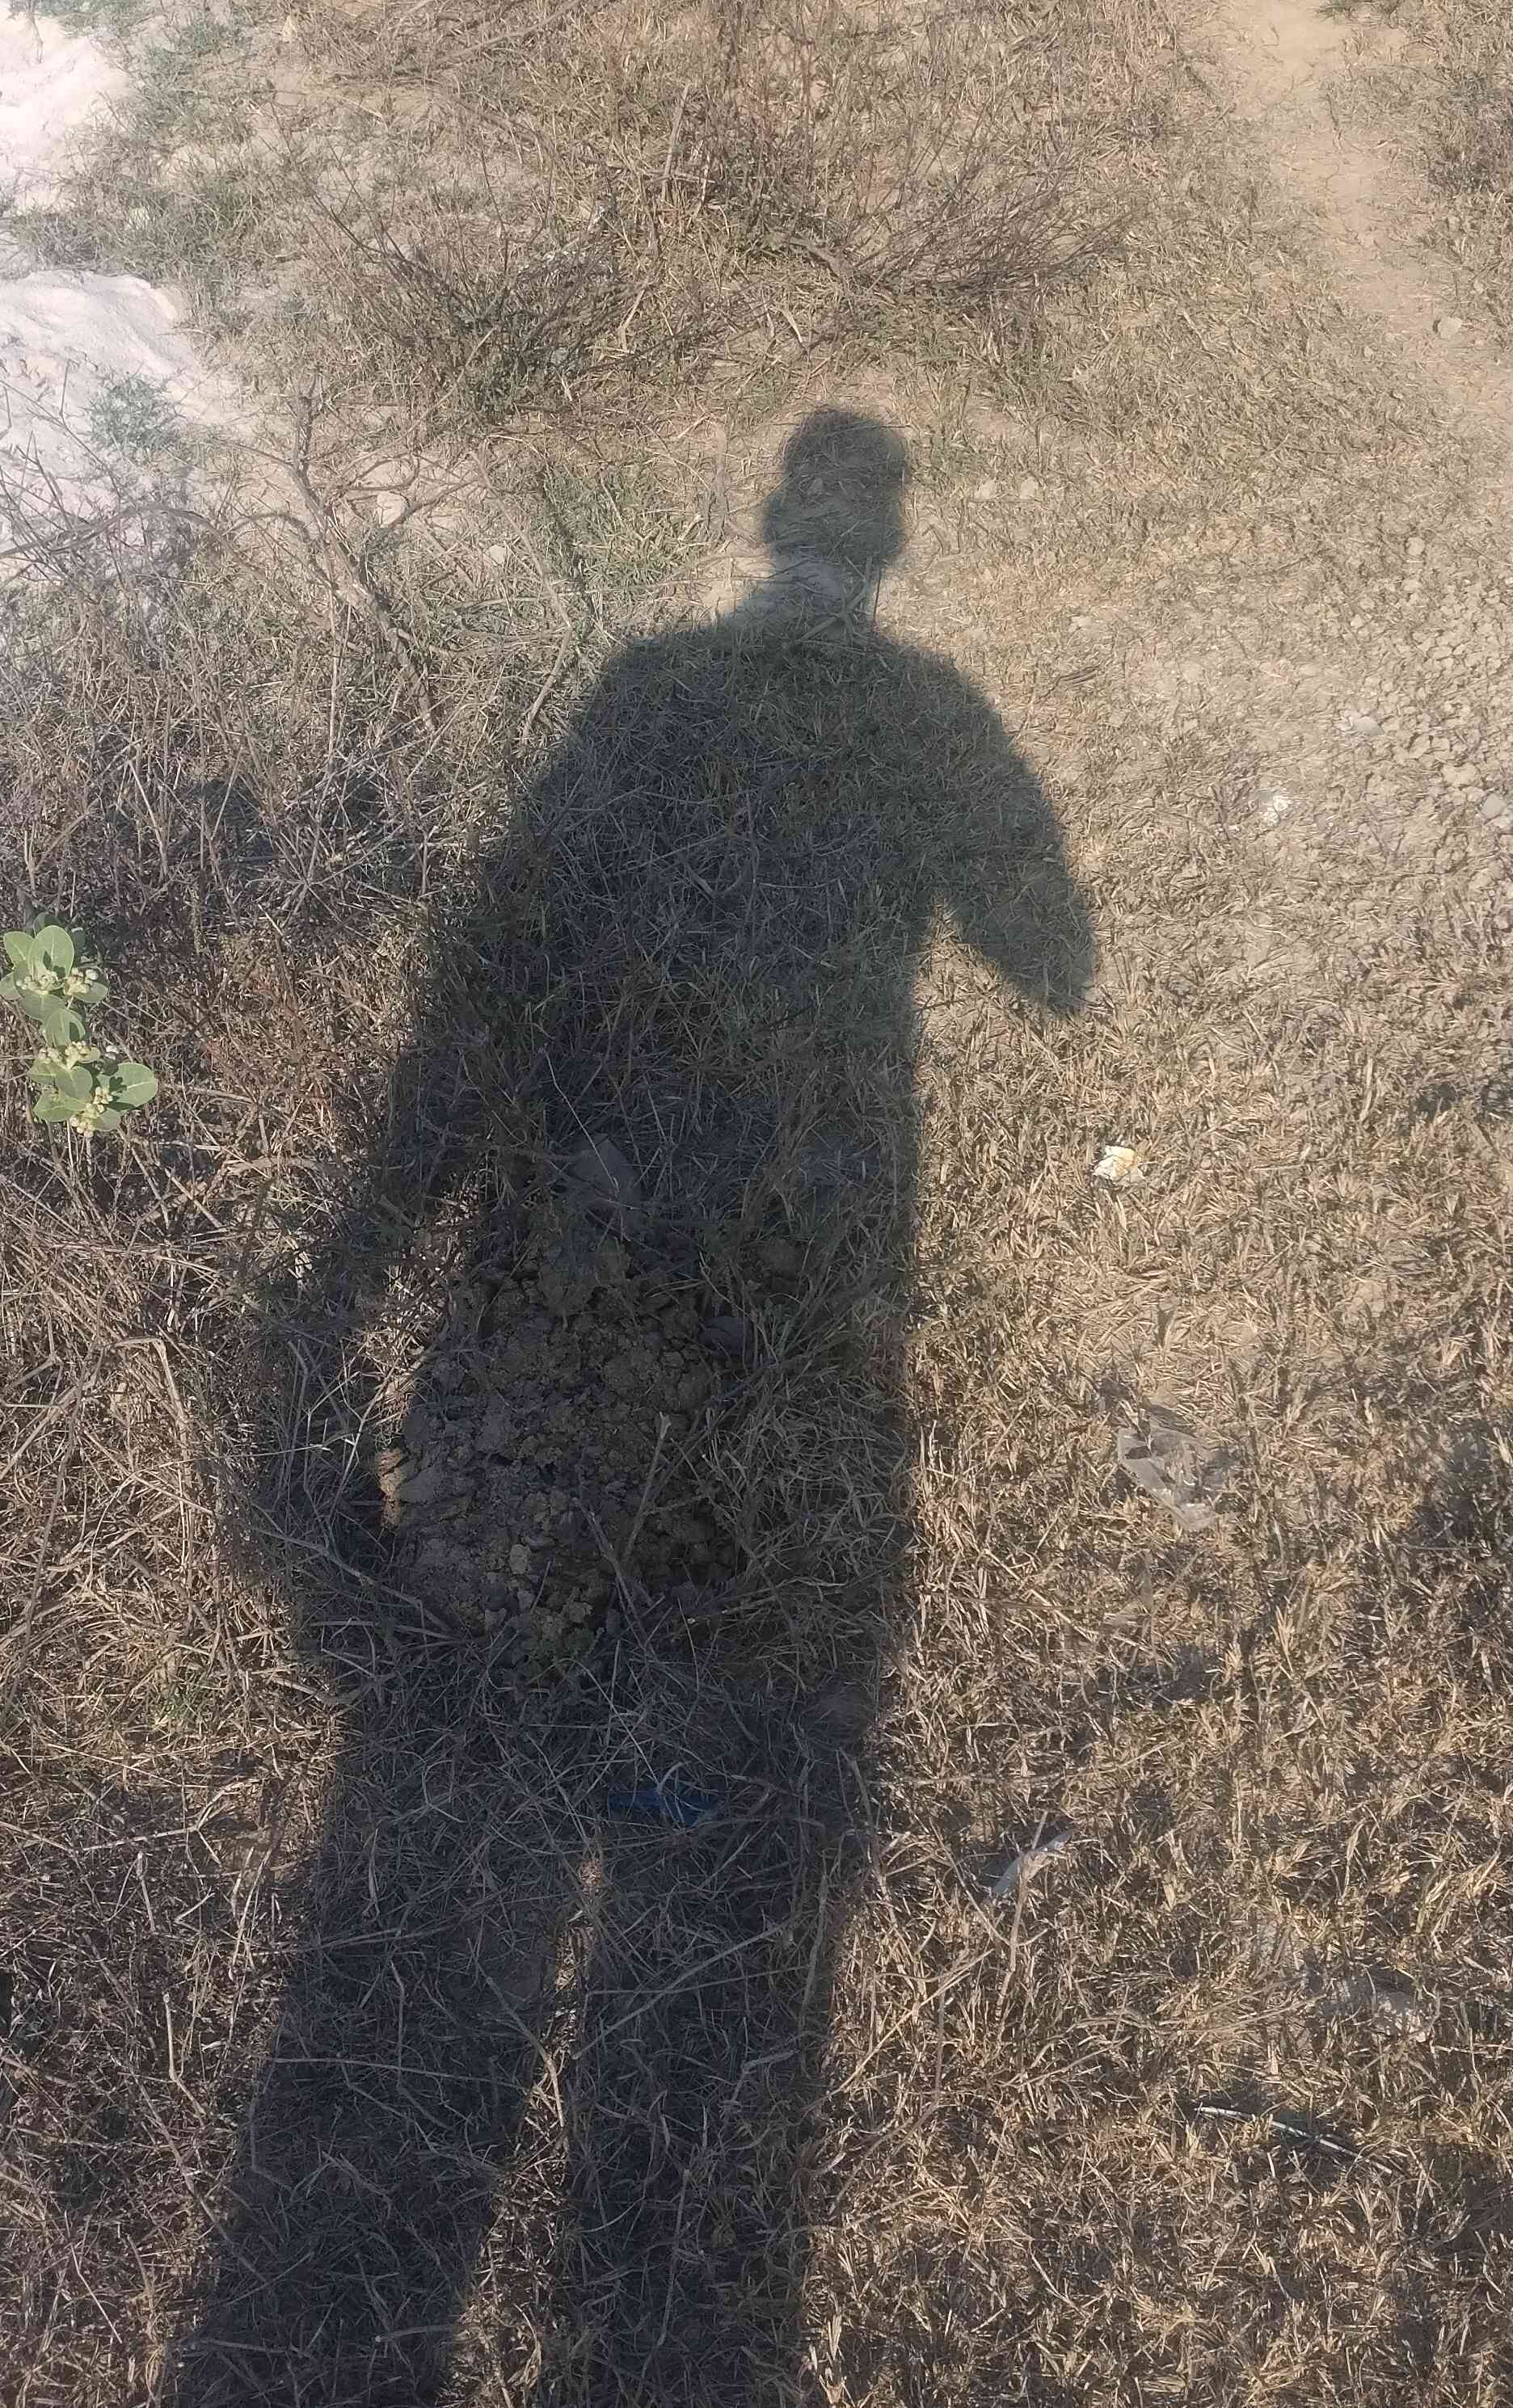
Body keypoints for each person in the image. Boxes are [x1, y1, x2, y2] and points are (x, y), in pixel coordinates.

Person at [176, 406, 1094, 2404]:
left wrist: (375, 1235)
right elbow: (1057, 958)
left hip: (600, 1219)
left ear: (773, 524)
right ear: (877, 545)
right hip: (814, 1208)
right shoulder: (919, 707)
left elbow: (517, 922)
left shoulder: (657, 683)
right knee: (744, 1530)